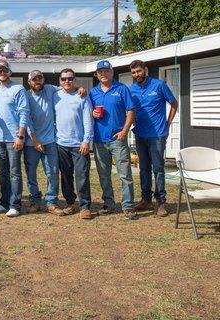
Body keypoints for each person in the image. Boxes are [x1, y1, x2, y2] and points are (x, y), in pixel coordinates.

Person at [89, 60, 137, 220]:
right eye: (100, 72)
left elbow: (130, 111)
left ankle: (128, 206)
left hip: (118, 139)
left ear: (112, 73)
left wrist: (124, 131)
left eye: (106, 71)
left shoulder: (122, 89)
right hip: (99, 139)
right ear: (97, 75)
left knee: (125, 174)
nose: (103, 74)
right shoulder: (93, 92)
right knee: (104, 175)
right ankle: (109, 204)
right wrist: (92, 114)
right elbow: (87, 112)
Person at [129, 60, 178, 217]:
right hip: (140, 134)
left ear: (145, 70)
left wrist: (167, 124)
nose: (137, 74)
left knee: (158, 168)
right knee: (143, 169)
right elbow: (131, 110)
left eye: (139, 71)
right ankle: (146, 200)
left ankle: (161, 202)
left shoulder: (159, 85)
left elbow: (174, 103)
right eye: (134, 72)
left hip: (157, 134)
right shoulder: (131, 89)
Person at [53, 68, 94, 220]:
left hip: (79, 144)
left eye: (70, 79)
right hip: (61, 143)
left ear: (75, 80)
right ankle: (70, 203)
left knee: (82, 175)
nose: (67, 82)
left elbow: (88, 120)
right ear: (59, 80)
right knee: (65, 176)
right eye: (63, 79)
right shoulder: (55, 95)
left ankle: (84, 206)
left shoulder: (82, 96)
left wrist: (86, 141)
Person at [0, 61, 29, 217]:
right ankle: (4, 202)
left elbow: (24, 113)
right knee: (3, 173)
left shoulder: (18, 88)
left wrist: (20, 135)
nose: (2, 72)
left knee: (14, 172)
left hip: (14, 138)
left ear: (10, 72)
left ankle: (15, 205)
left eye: (5, 70)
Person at [24, 70, 63, 216]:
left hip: (50, 141)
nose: (37, 81)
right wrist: (35, 140)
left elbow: (66, 87)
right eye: (34, 79)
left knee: (52, 172)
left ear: (43, 80)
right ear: (29, 82)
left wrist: (79, 89)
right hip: (31, 142)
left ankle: (51, 202)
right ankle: (35, 201)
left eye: (40, 78)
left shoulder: (50, 89)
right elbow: (26, 119)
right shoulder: (26, 96)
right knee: (31, 173)